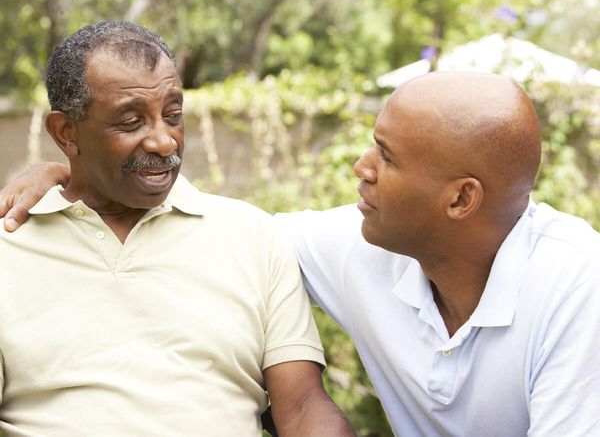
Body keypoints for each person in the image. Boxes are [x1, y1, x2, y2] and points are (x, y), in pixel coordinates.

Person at [3, 70, 599, 435]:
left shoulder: (576, 286)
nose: (359, 169)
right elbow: (222, 227)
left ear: (461, 198)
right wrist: (75, 172)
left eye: (386, 157)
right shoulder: (364, 243)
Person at [0, 21, 354, 436]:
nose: (165, 142)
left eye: (173, 116)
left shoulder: (252, 236)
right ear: (66, 133)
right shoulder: (11, 248)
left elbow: (303, 407)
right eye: (131, 122)